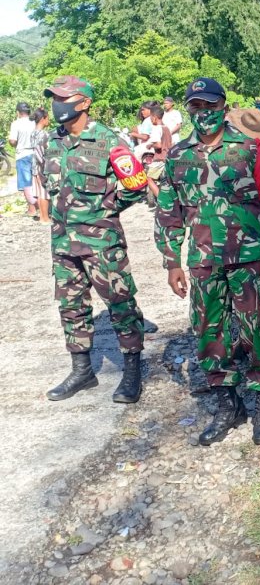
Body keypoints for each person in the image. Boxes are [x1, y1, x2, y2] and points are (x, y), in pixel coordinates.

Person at [155, 78, 260, 447]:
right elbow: (168, 213)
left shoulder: (247, 149)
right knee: (209, 332)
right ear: (189, 111)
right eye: (196, 107)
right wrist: (172, 262)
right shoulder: (178, 157)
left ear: (223, 105)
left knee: (255, 330)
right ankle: (228, 406)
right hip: (202, 260)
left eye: (209, 106)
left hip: (249, 258)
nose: (203, 114)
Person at [43, 76, 148, 404]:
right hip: (62, 243)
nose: (57, 103)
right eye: (54, 98)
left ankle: (132, 372)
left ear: (84, 102)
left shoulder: (108, 141)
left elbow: (137, 184)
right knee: (71, 306)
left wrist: (106, 211)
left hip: (102, 244)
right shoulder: (52, 141)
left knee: (120, 304)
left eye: (64, 98)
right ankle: (82, 371)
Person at [9, 101, 37, 216]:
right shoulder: (34, 122)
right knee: (36, 181)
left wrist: (13, 145)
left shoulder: (16, 123)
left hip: (22, 155)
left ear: (18, 112)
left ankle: (32, 209)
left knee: (26, 183)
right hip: (35, 153)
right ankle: (39, 206)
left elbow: (12, 141)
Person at [144, 106, 172, 199]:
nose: (151, 120)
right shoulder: (166, 128)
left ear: (154, 117)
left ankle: (161, 198)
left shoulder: (156, 128)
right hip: (168, 157)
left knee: (149, 178)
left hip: (160, 159)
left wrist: (151, 145)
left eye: (151, 117)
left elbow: (159, 145)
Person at [31, 107, 51, 223]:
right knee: (44, 191)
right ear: (43, 119)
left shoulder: (33, 133)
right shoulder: (44, 134)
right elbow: (44, 152)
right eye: (47, 118)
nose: (48, 121)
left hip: (34, 165)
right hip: (41, 164)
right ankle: (45, 217)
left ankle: (42, 216)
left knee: (38, 191)